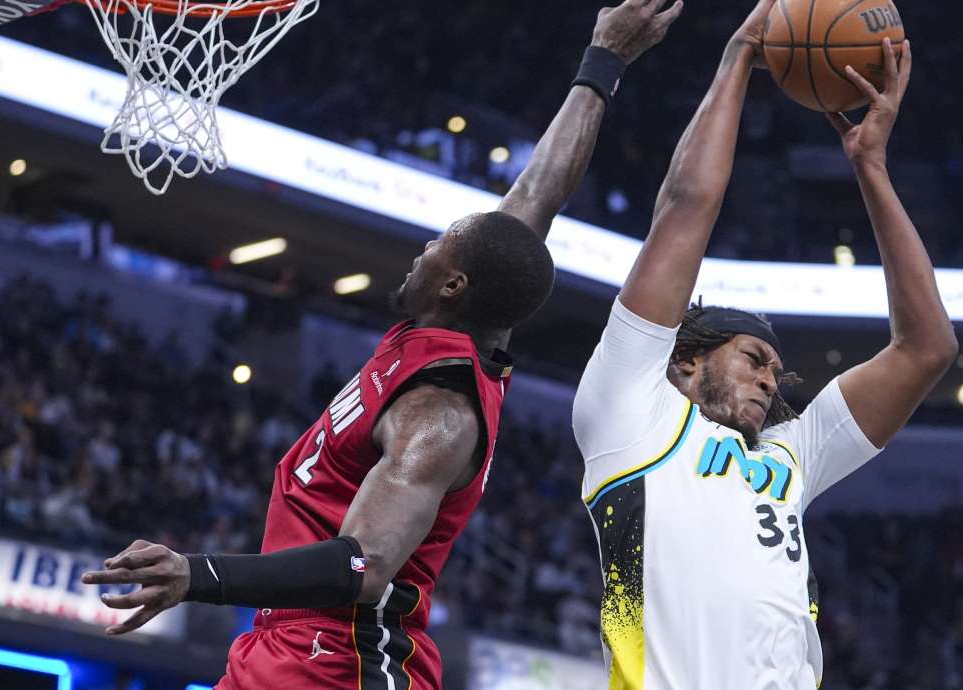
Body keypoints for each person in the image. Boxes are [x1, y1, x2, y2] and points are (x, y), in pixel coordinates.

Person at [80, 3, 682, 688]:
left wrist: (197, 574)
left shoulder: (439, 413)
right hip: (289, 642)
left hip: (342, 662)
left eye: (437, 245)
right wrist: (603, 61)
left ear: (453, 283)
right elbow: (538, 192)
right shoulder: (450, 325)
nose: (422, 248)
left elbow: (360, 568)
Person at [570, 2, 958, 687]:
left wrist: (870, 165)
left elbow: (926, 347)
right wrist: (741, 55)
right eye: (753, 359)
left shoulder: (788, 453)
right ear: (687, 360)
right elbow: (687, 206)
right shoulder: (631, 413)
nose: (770, 383)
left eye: (776, 372)